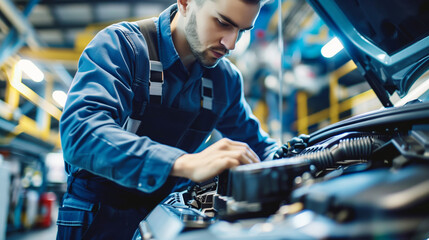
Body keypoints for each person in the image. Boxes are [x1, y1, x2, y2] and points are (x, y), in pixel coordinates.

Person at [56, 0, 277, 239]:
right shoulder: (124, 46)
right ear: (185, 3)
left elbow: (259, 146)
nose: (231, 44)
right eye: (222, 23)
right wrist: (184, 163)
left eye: (242, 31)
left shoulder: (225, 80)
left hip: (166, 217)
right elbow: (80, 133)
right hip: (97, 218)